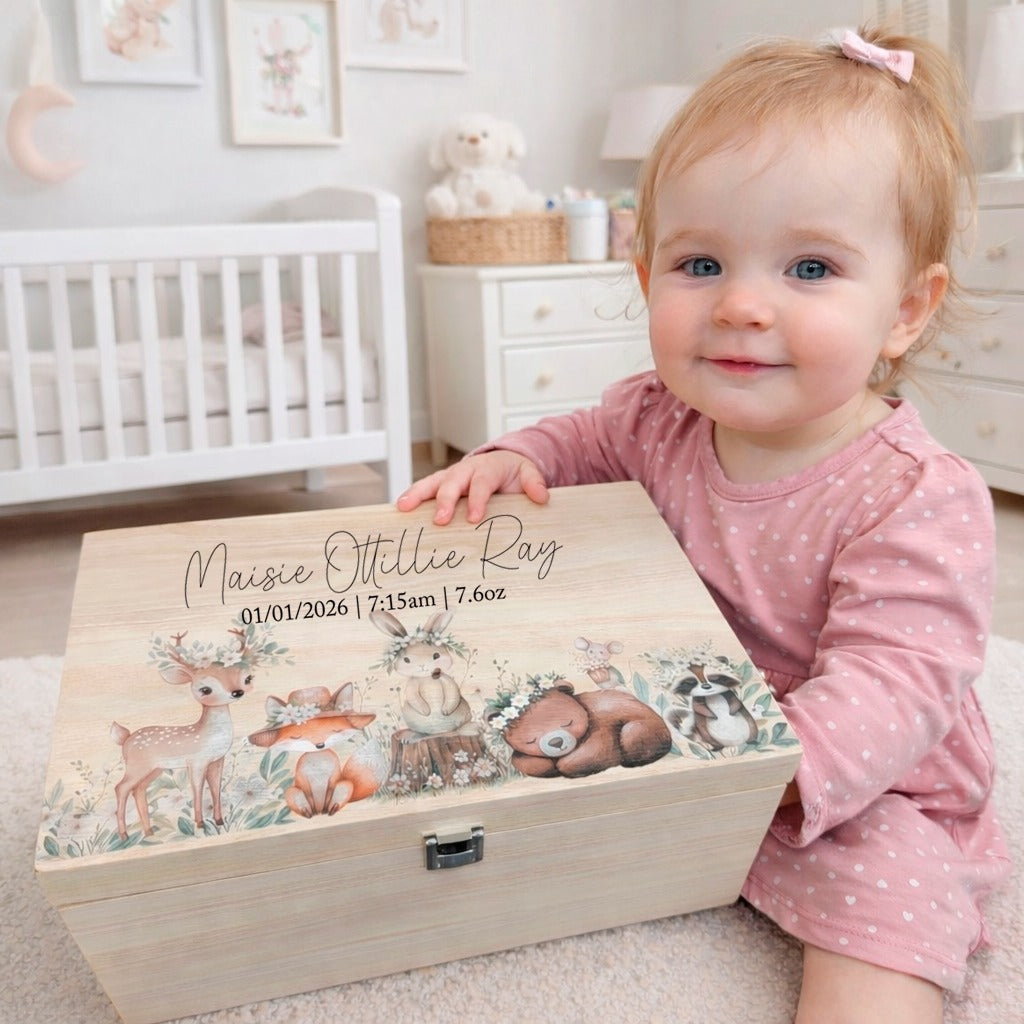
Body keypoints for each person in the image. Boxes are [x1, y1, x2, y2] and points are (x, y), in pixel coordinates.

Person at [397, 26, 1011, 1023]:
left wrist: (757, 773)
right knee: (499, 795)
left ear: (905, 308)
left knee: (892, 899)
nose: (740, 305)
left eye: (808, 269)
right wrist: (519, 456)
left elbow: (894, 686)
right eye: (699, 263)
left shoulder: (913, 495)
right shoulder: (656, 416)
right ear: (645, 275)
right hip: (685, 724)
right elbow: (582, 437)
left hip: (851, 777)